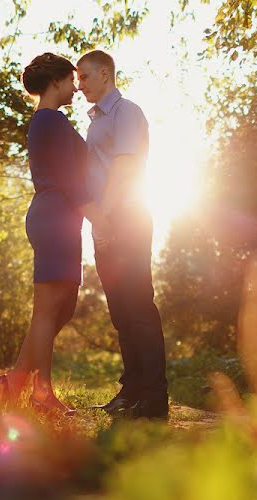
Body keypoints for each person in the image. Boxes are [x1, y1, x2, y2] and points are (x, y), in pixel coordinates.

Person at [0, 53, 106, 415]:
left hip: (63, 218)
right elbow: (67, 179)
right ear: (55, 82)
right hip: (55, 216)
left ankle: (16, 380)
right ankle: (40, 393)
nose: (76, 86)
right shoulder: (50, 121)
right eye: (71, 80)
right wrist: (98, 217)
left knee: (63, 307)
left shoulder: (50, 121)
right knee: (47, 309)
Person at [77, 50, 169, 420]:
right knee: (120, 310)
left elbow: (126, 165)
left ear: (105, 74)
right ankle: (131, 391)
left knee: (138, 305)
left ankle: (153, 398)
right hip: (106, 222)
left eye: (84, 76)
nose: (79, 84)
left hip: (126, 217)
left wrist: (106, 217)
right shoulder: (95, 121)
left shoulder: (126, 111)